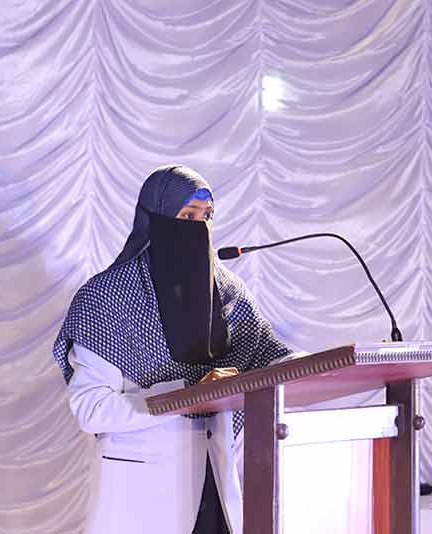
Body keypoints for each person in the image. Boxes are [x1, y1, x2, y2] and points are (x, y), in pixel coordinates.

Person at [52, 164, 293, 534]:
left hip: (216, 482)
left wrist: (320, 366)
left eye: (207, 217)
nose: (199, 227)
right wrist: (190, 395)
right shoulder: (106, 297)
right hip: (143, 495)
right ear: (156, 218)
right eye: (187, 216)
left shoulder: (228, 292)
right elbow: (92, 409)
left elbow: (275, 358)